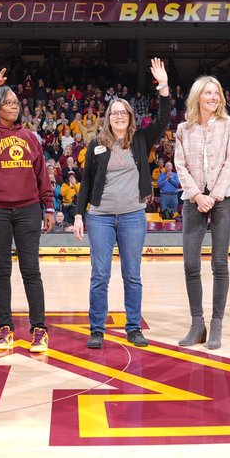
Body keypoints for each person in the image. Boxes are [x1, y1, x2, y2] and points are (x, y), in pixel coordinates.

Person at [72, 58, 172, 350]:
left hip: (132, 216)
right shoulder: (97, 145)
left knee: (132, 274)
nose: (118, 116)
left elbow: (164, 119)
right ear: (108, 117)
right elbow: (86, 182)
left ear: (130, 116)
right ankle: (97, 329)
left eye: (123, 112)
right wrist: (79, 215)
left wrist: (163, 86)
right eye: (114, 112)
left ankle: (133, 328)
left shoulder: (141, 138)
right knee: (100, 274)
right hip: (100, 217)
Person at [0, 67, 54, 352]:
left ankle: (39, 329)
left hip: (29, 209)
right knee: (0, 270)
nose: (14, 105)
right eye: (8, 101)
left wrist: (49, 206)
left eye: (17, 102)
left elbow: (42, 173)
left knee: (32, 270)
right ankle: (4, 327)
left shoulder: (30, 137)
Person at [174, 74, 230, 350]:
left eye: (217, 93)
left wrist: (213, 196)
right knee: (190, 264)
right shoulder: (183, 129)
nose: (214, 97)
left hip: (223, 197)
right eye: (208, 93)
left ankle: (216, 325)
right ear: (197, 97)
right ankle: (197, 324)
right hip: (194, 199)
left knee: (219, 264)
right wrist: (196, 195)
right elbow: (180, 165)